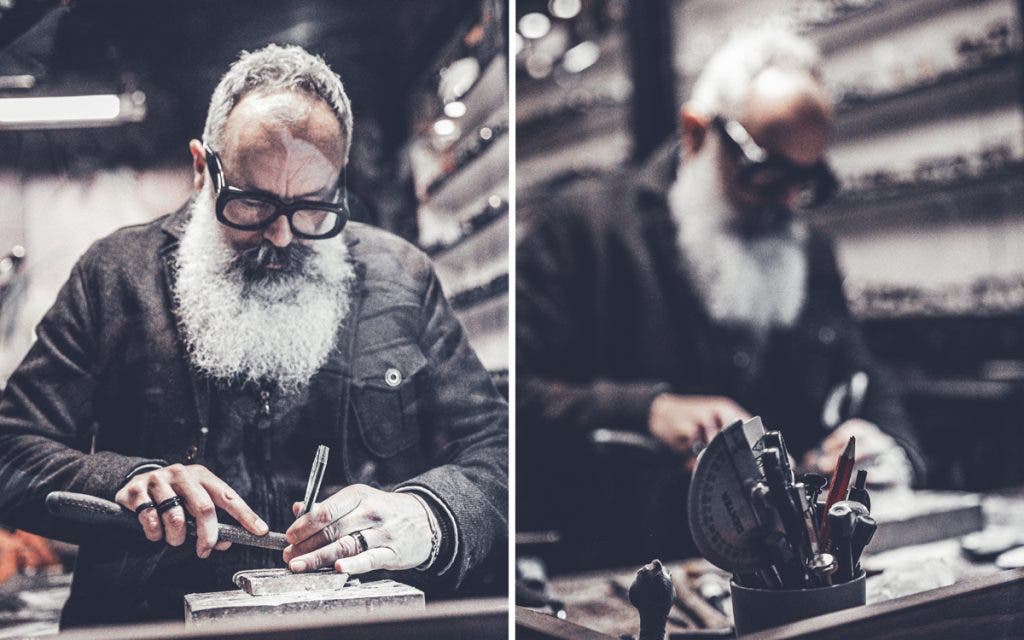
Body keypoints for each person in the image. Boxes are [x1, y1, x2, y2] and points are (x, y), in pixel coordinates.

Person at [0, 44, 507, 627]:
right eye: (252, 203)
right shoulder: (114, 275)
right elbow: (12, 450)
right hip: (152, 626)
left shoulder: (403, 277)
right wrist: (128, 480)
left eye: (313, 208)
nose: (283, 237)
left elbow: (496, 449)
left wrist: (430, 516)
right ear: (201, 167)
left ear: (338, 184)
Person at [517, 27, 923, 568]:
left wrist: (885, 447)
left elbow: (863, 377)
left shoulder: (808, 248)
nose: (784, 203)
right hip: (631, 564)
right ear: (694, 133)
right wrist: (646, 409)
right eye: (764, 175)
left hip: (789, 571)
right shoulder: (582, 230)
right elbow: (512, 399)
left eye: (803, 182)